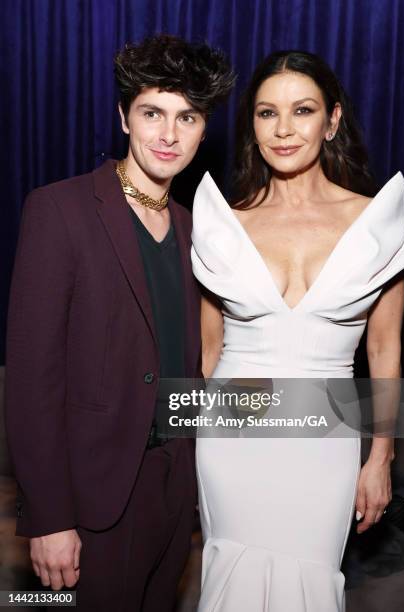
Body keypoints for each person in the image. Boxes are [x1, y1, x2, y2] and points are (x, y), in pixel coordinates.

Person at [5, 34, 234, 611]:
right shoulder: (59, 209)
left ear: (203, 131)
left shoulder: (198, 231)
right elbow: (33, 381)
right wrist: (49, 517)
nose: (168, 134)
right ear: (123, 118)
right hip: (92, 500)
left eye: (187, 117)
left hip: (174, 492)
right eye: (152, 113)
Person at [191, 50, 404, 611]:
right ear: (252, 126)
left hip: (325, 440)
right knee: (232, 577)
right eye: (267, 113)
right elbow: (208, 350)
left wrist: (380, 456)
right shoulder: (223, 223)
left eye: (303, 110)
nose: (284, 129)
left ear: (332, 120)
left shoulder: (376, 222)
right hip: (232, 436)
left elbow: (384, 348)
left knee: (308, 583)